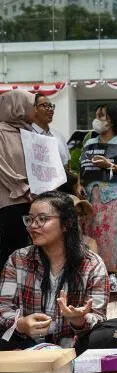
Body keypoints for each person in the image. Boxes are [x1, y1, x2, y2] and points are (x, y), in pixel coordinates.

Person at [0, 191, 117, 352]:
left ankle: (67, 359)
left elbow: (98, 316)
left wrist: (79, 320)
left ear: (66, 224)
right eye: (30, 219)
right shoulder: (18, 258)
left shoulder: (92, 264)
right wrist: (21, 324)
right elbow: (3, 307)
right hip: (26, 344)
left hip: (73, 346)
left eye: (42, 219)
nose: (33, 226)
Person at [82, 104, 117, 273]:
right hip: (92, 200)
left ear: (112, 120)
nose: (97, 119)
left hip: (116, 200)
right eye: (96, 115)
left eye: (102, 116)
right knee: (93, 238)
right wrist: (79, 185)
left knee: (116, 240)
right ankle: (94, 273)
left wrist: (110, 165)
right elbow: (82, 170)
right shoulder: (90, 143)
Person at [0, 90, 37, 270]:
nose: (35, 110)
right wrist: (23, 187)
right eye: (32, 106)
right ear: (19, 108)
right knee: (10, 249)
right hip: (9, 201)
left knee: (26, 250)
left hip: (31, 200)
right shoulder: (1, 132)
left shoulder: (27, 133)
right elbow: (2, 167)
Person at [32, 93, 70, 166]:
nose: (50, 109)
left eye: (51, 106)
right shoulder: (28, 135)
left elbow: (67, 163)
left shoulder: (59, 136)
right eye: (45, 106)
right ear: (34, 108)